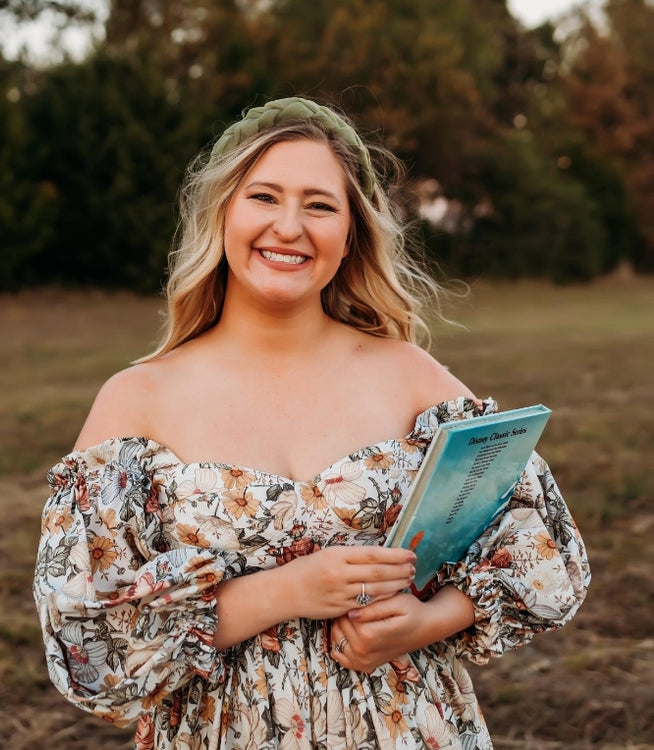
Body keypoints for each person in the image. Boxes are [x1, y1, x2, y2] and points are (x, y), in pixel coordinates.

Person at [33, 97, 590, 750]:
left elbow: (545, 549)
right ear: (222, 212)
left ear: (351, 231)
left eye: (320, 205)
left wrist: (428, 620)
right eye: (264, 197)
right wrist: (287, 590)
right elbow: (87, 647)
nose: (289, 227)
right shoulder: (139, 399)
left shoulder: (410, 375)